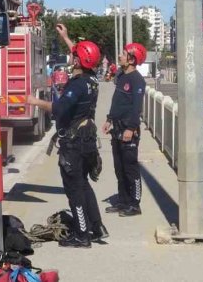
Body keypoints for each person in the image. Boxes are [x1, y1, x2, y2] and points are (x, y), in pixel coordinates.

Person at [29, 24, 107, 248]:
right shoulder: (92, 79)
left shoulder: (78, 85)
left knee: (75, 190)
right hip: (87, 141)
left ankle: (82, 235)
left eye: (74, 56)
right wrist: (66, 37)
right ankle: (96, 227)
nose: (71, 57)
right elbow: (83, 58)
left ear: (78, 62)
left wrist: (35, 102)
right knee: (84, 184)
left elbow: (59, 109)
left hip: (74, 145)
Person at [102, 42, 148, 217]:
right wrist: (109, 119)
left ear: (131, 59)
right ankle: (122, 201)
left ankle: (134, 204)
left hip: (129, 130)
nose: (120, 56)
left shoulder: (137, 80)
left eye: (123, 54)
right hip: (117, 128)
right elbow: (117, 101)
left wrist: (131, 128)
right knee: (119, 168)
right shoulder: (121, 76)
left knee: (131, 169)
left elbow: (136, 107)